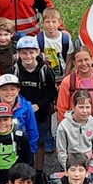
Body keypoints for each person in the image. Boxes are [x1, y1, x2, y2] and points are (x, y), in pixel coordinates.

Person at [15, 39, 58, 171]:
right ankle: (23, 170)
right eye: (24, 53)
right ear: (18, 54)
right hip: (20, 113)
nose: (28, 56)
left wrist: (38, 105)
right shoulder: (14, 71)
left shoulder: (45, 71)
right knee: (20, 141)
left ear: (38, 52)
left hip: (40, 113)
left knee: (40, 142)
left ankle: (39, 171)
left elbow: (52, 93)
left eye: (31, 52)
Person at [0, 74, 39, 155]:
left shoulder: (27, 107)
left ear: (18, 90)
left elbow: (32, 130)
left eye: (13, 89)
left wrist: (30, 152)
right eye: (4, 89)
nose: (9, 92)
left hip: (20, 149)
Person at [55, 49, 93, 119]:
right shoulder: (67, 81)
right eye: (79, 61)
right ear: (74, 63)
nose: (83, 63)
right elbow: (61, 108)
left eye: (86, 59)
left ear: (92, 59)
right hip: (72, 124)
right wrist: (64, 127)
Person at [56, 91, 93, 173]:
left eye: (88, 107)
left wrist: (92, 166)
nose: (85, 111)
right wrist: (68, 168)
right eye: (81, 107)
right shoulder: (63, 126)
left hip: (88, 166)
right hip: (69, 166)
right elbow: (61, 151)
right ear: (73, 107)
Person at [35, 7, 71, 77]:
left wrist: (66, 79)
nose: (51, 25)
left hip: (62, 76)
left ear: (59, 23)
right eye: (47, 22)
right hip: (44, 77)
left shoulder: (65, 39)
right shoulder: (37, 39)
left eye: (54, 22)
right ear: (43, 23)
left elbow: (69, 60)